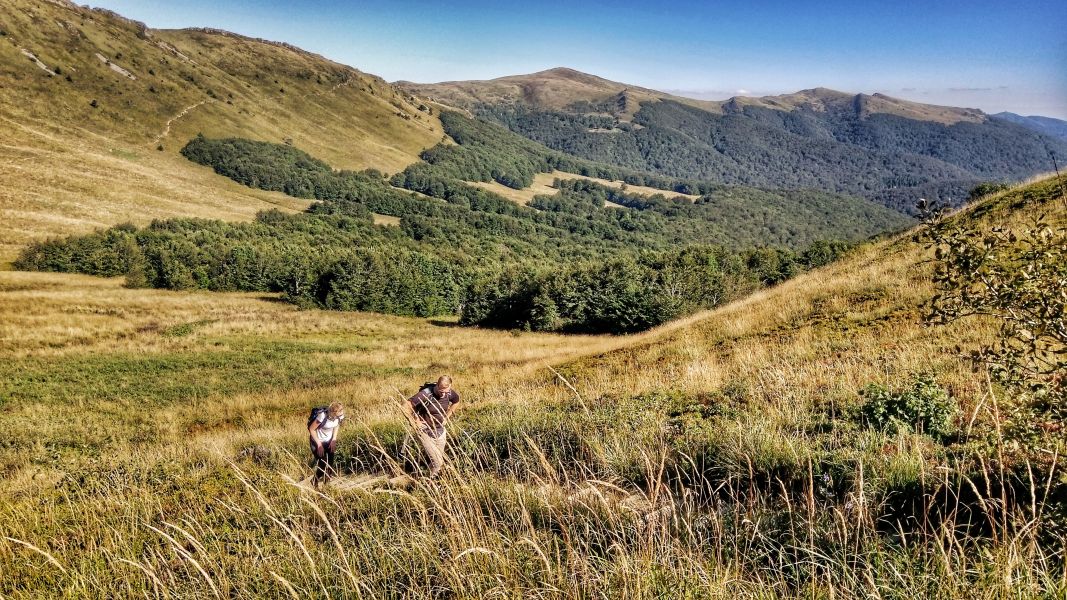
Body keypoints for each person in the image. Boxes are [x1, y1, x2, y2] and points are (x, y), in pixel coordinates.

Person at [404, 376, 460, 477]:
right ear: (437, 386)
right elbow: (406, 406)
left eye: (446, 392)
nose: (443, 394)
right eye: (441, 391)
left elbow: (456, 401)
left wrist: (447, 416)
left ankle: (422, 479)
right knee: (437, 462)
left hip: (440, 432)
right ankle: (427, 483)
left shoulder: (450, 393)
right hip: (425, 432)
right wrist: (414, 422)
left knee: (438, 462)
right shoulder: (426, 393)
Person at [308, 402, 345, 485]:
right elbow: (311, 429)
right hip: (317, 442)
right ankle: (314, 482)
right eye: (338, 415)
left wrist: (333, 440)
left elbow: (336, 425)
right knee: (323, 465)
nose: (341, 417)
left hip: (329, 441)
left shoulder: (340, 415)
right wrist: (319, 444)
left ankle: (327, 485)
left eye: (341, 414)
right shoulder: (322, 416)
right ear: (333, 413)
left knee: (330, 464)